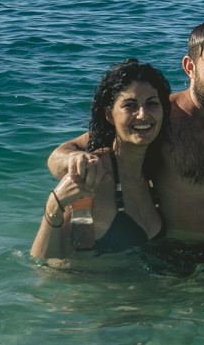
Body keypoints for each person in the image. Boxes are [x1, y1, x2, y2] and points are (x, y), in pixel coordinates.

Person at [48, 10, 204, 242]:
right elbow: (62, 153)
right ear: (190, 67)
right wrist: (77, 162)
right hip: (178, 263)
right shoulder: (163, 116)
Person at [32, 60, 169, 258]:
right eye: (130, 105)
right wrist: (54, 205)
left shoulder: (153, 168)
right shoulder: (94, 175)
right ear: (109, 115)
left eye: (152, 104)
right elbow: (48, 265)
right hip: (94, 287)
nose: (142, 115)